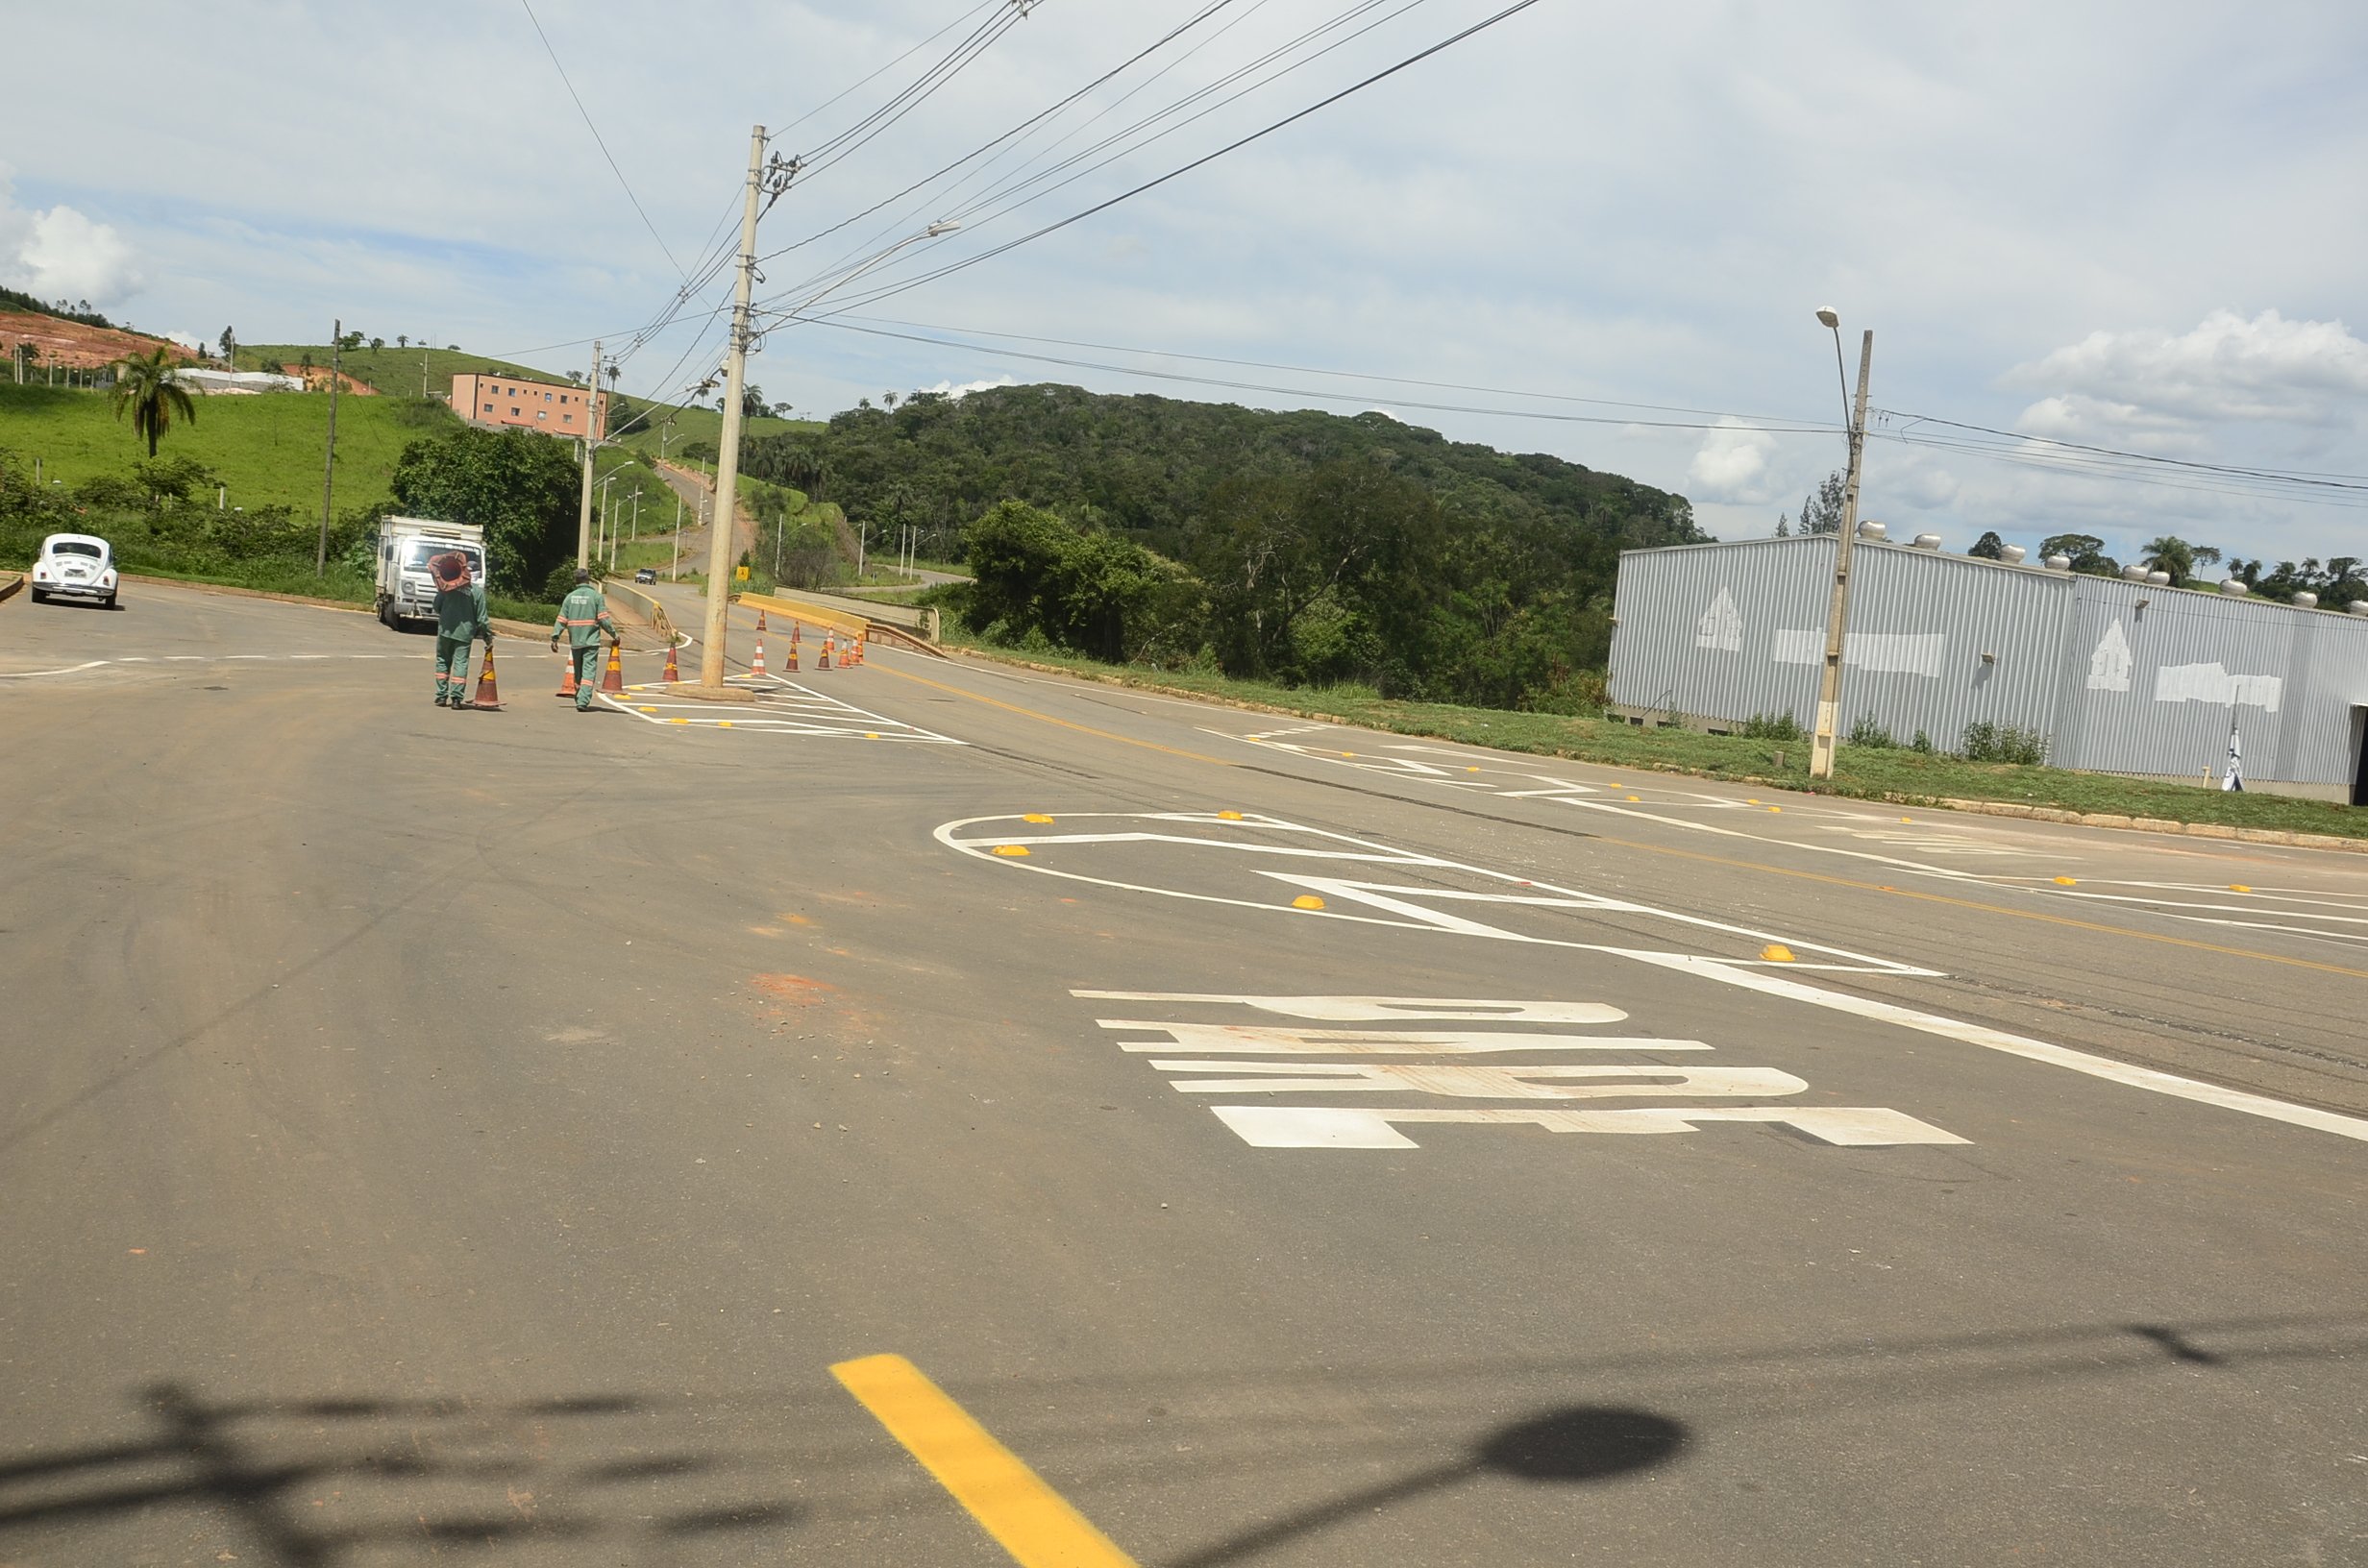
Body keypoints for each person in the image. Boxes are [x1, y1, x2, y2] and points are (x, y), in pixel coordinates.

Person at [550, 567, 621, 713]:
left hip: (575, 641)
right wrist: (614, 634)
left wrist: (554, 638)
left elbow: (561, 619)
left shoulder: (570, 597)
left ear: (576, 580)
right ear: (588, 580)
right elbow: (604, 620)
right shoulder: (596, 597)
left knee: (578, 672)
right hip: (591, 641)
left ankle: (578, 696)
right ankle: (583, 700)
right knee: (588, 672)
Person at [430, 551, 491, 708]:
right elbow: (482, 619)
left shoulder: (446, 587)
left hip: (445, 630)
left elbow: (436, 606)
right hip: (464, 634)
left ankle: (441, 697)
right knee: (460, 663)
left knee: (442, 661)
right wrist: (487, 637)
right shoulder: (476, 593)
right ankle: (456, 699)